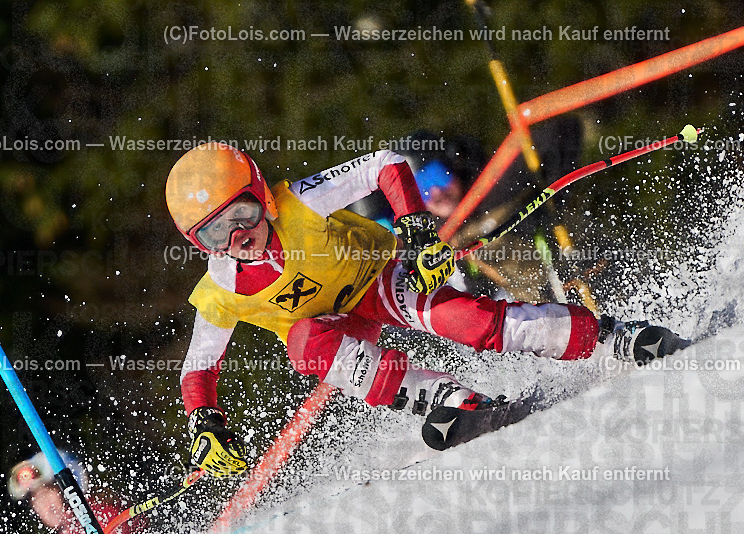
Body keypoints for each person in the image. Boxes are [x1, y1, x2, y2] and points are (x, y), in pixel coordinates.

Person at [165, 142, 683, 476]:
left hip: (381, 278)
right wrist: (204, 421)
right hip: (333, 330)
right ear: (199, 244)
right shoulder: (221, 288)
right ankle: (450, 400)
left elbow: (384, 163)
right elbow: (199, 366)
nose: (239, 235)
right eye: (215, 232)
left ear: (263, 196)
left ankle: (611, 337)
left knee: (470, 321)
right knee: (305, 346)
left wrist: (414, 227)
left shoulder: (299, 202)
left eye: (244, 213)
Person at [8, 452, 141, 534]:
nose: (44, 505)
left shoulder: (104, 516)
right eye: (35, 499)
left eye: (47, 493)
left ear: (68, 490)